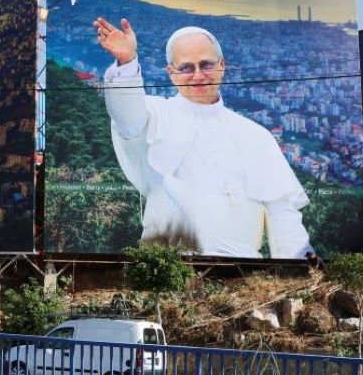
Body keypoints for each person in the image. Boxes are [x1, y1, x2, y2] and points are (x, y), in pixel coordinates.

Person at [93, 17, 313, 259]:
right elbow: (127, 116)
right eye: (186, 67)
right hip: (168, 269)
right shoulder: (155, 115)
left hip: (245, 274)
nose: (198, 75)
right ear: (170, 73)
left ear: (222, 65)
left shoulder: (257, 136)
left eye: (206, 65)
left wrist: (300, 270)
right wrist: (127, 62)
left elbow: (282, 214)